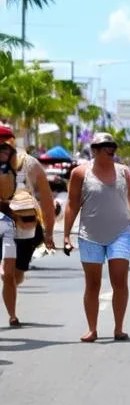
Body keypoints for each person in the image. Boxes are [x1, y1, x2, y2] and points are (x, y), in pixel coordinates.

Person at [62, 132, 130, 342]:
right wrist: (66, 235)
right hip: (90, 235)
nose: (111, 149)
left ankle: (118, 328)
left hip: (120, 233)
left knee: (120, 279)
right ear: (95, 150)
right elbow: (72, 204)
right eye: (106, 145)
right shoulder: (80, 173)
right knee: (93, 284)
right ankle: (92, 329)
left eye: (113, 145)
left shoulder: (123, 172)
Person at [0, 124, 56, 328]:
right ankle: (12, 315)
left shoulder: (29, 164)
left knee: (16, 274)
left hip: (23, 226)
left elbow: (47, 200)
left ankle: (12, 287)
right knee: (7, 273)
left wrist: (49, 233)